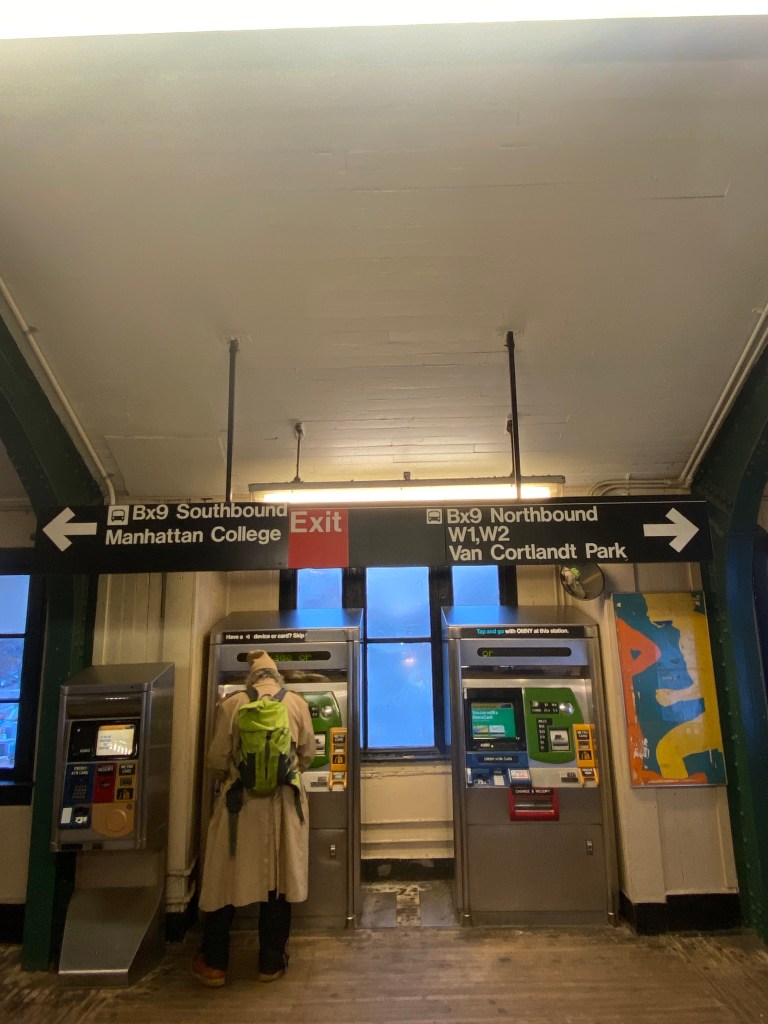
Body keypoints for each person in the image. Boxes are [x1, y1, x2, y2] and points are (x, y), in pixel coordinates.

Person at [192, 649, 315, 987]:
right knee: (278, 882)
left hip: (239, 807)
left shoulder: (232, 704)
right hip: (282, 805)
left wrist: (234, 778)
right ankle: (271, 962)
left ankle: (215, 964)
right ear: (277, 676)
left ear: (252, 677)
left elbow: (216, 758)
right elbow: (307, 755)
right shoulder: (296, 704)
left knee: (224, 879)